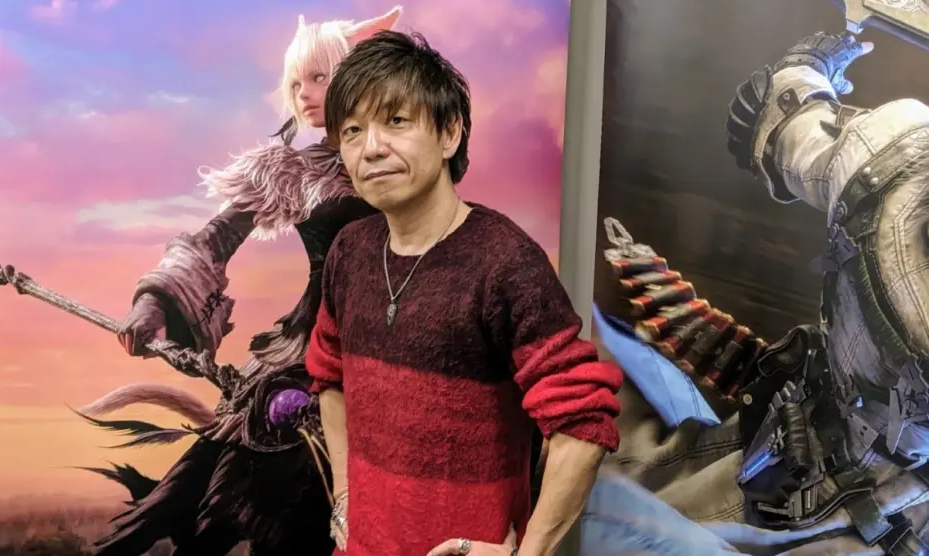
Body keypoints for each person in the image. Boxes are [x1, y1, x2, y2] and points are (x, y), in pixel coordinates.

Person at [72, 8, 404, 556]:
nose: (303, 93)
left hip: (390, 350)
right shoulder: (292, 170)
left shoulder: (401, 158)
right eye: (295, 82)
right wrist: (154, 302)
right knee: (206, 492)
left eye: (319, 77)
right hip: (302, 352)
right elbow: (215, 236)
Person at [597, 30, 929, 555]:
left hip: (826, 500)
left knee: (602, 512)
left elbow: (768, 116)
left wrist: (806, 67)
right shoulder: (903, 149)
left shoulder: (901, 144)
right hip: (799, 460)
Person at [304, 30, 624, 556]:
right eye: (353, 131)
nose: (371, 148)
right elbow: (329, 372)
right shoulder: (349, 251)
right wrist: (344, 492)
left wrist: (531, 553)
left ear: (449, 133)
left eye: (395, 121)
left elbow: (583, 422)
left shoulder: (504, 261)